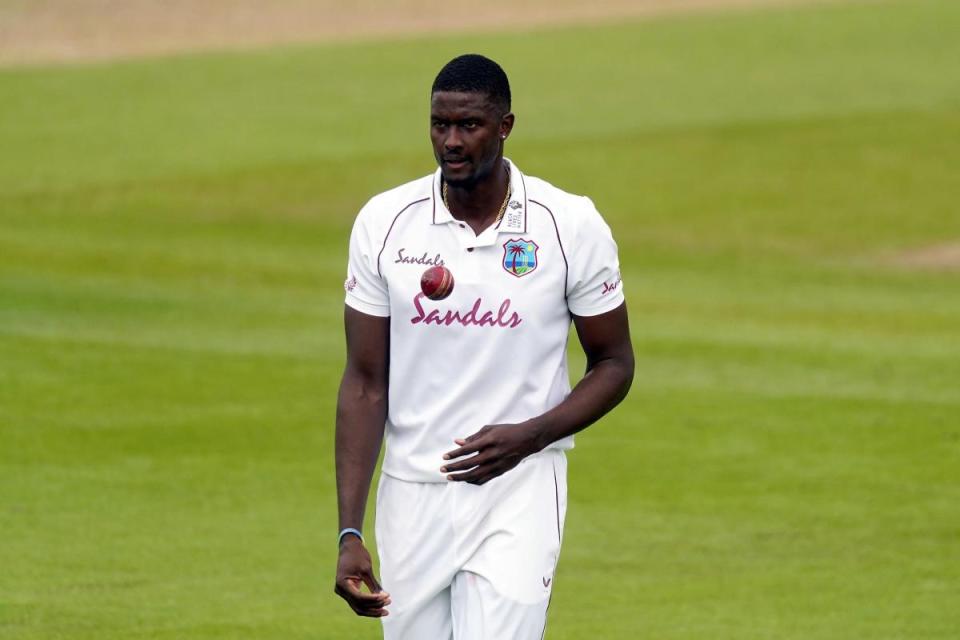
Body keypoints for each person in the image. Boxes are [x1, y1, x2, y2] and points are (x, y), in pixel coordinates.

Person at [334, 53, 634, 639]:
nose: (450, 141)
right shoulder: (385, 223)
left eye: (468, 125)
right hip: (412, 493)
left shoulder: (568, 225)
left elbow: (616, 363)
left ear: (505, 126)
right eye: (439, 125)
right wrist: (349, 530)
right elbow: (365, 383)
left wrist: (531, 436)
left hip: (519, 489)